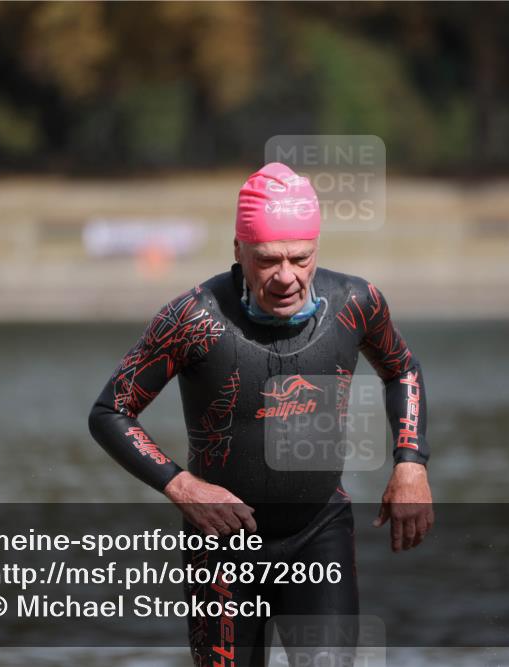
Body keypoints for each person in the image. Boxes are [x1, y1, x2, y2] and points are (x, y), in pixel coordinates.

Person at [88, 162, 433, 666]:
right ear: (239, 250)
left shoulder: (355, 303)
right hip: (220, 545)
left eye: (300, 258)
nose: (286, 277)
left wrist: (411, 463)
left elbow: (401, 369)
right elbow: (111, 411)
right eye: (268, 260)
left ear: (316, 248)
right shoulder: (194, 318)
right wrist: (182, 487)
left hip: (318, 534)